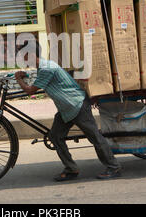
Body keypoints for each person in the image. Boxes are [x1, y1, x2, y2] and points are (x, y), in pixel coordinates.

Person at [14, 45, 122, 181]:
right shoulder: (43, 67)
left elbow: (30, 91)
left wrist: (19, 79)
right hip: (67, 109)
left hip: (77, 105)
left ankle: (114, 167)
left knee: (95, 137)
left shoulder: (47, 68)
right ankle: (71, 169)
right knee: (55, 136)